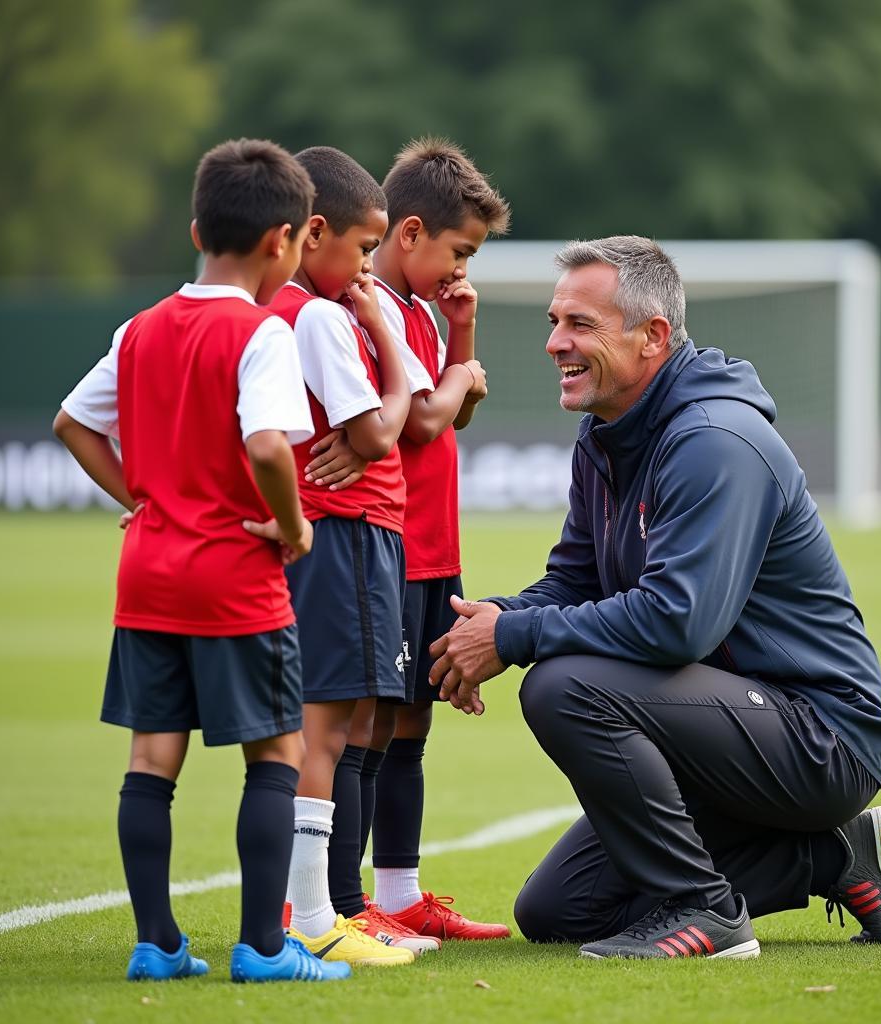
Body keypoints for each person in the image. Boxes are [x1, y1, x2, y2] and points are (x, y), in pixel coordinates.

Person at [430, 235, 881, 960]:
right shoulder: (606, 436)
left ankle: (706, 912)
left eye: (580, 325)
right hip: (721, 729)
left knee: (564, 686)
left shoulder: (715, 441)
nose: (556, 342)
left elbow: (678, 624)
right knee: (560, 909)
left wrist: (515, 640)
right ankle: (831, 857)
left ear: (654, 336)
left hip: (820, 739)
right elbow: (574, 583)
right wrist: (481, 621)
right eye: (554, 323)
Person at [52, 138, 350, 983]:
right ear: (284, 242)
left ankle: (158, 944)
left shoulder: (141, 327)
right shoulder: (260, 334)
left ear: (195, 228)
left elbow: (72, 424)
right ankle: (262, 951)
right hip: (232, 576)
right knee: (276, 755)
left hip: (147, 574)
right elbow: (265, 444)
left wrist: (140, 499)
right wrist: (291, 525)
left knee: (152, 759)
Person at [306, 137, 511, 940]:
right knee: (366, 723)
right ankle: (343, 903)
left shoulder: (423, 312)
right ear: (410, 232)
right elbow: (424, 418)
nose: (462, 271)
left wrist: (459, 336)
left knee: (411, 722)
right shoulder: (372, 308)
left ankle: (398, 894)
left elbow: (451, 408)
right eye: (458, 253)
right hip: (385, 545)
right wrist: (461, 375)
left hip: (432, 548)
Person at [268, 146, 423, 965]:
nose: (369, 267)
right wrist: (383, 336)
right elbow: (378, 431)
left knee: (351, 720)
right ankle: (313, 917)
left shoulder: (296, 311)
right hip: (347, 531)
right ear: (314, 232)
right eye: (364, 249)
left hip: (355, 532)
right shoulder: (324, 315)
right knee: (327, 730)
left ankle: (324, 908)